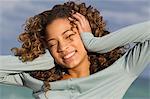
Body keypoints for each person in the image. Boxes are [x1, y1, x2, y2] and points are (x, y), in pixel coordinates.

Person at [0, 1, 150, 99]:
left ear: (86, 33)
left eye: (69, 36)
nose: (63, 47)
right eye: (53, 44)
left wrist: (95, 43)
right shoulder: (39, 81)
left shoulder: (122, 71)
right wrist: (42, 61)